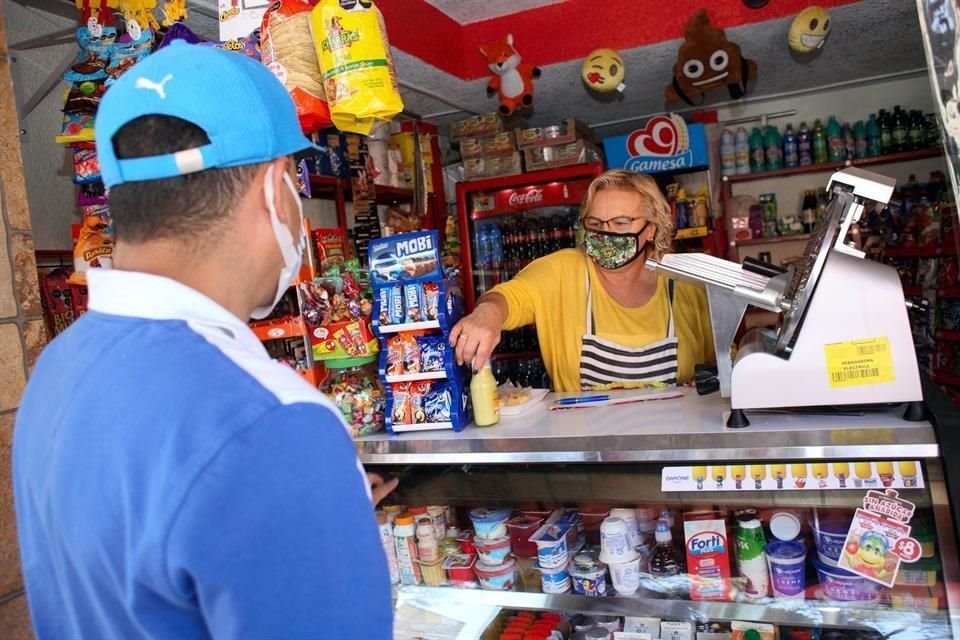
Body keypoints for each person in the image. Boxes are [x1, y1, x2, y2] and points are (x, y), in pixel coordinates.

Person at [13, 42, 394, 639]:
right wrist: (308, 501)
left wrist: (300, 523)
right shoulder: (274, 422)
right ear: (274, 188)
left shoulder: (57, 369)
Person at [450, 169, 715, 391]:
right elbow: (510, 297)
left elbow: (721, 362)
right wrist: (487, 314)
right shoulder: (562, 271)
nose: (606, 233)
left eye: (621, 223)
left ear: (651, 230)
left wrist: (708, 382)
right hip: (588, 449)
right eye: (596, 223)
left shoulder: (685, 286)